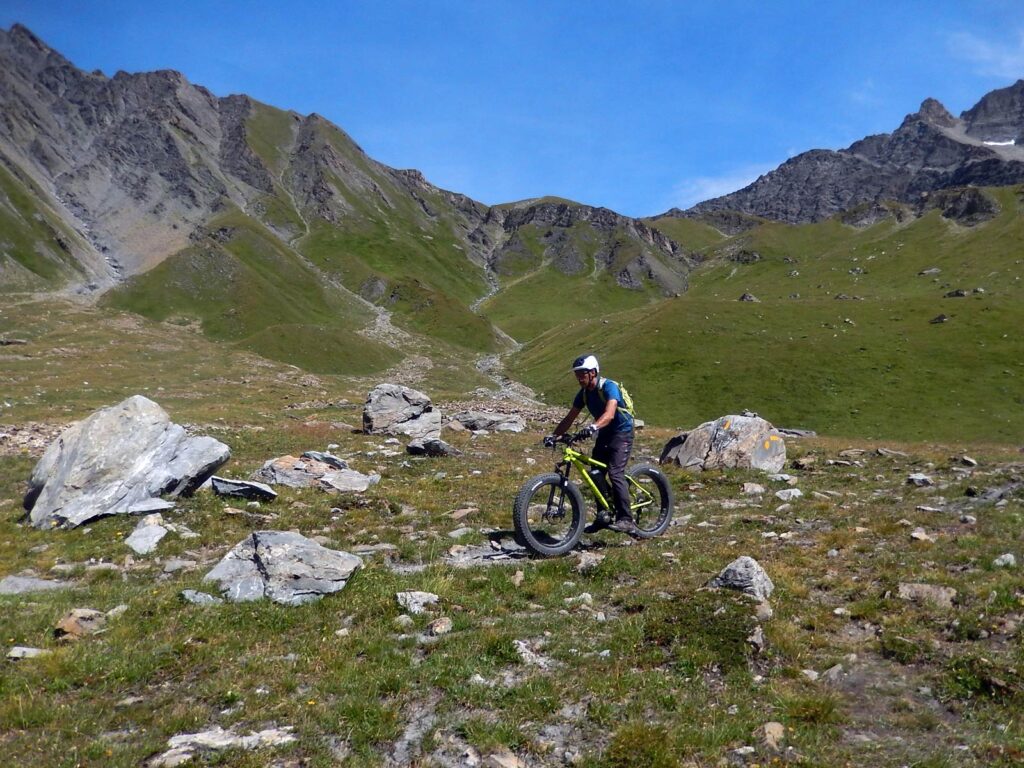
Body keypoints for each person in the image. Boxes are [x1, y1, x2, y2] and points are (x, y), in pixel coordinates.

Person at [547, 354, 640, 537]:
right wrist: (553, 435)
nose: (579, 378)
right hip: (604, 433)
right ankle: (602, 516)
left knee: (615, 473)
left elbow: (610, 413)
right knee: (596, 474)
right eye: (577, 375)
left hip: (622, 432)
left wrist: (593, 427)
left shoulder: (608, 387)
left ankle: (627, 520)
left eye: (582, 374)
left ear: (593, 372)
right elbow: (570, 417)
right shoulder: (583, 394)